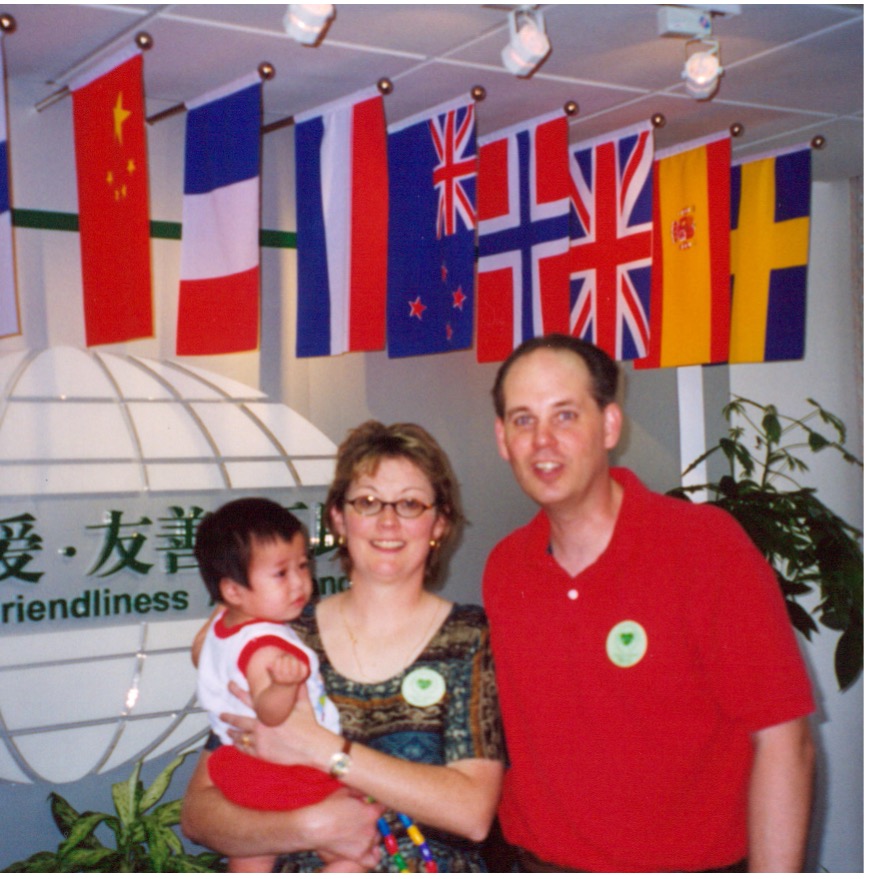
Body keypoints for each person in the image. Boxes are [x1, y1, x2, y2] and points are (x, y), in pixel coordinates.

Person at [483, 333, 816, 873]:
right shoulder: (505, 568)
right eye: (523, 420)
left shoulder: (705, 547)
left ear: (610, 424)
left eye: (565, 416)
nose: (542, 441)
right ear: (502, 438)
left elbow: (784, 743)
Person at [182, 421, 505, 872]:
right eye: (368, 502)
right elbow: (199, 815)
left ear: (440, 522)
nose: (388, 522)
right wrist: (315, 826)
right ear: (337, 517)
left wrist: (320, 748)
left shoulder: (469, 637)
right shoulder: (283, 634)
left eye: (410, 504)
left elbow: (471, 814)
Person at [192, 497, 365, 874]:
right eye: (281, 574)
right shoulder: (269, 647)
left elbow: (202, 660)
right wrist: (284, 686)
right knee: (351, 853)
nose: (300, 582)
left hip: (236, 765)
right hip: (285, 769)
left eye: (302, 566)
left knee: (252, 854)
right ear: (234, 590)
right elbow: (271, 713)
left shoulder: (223, 627)